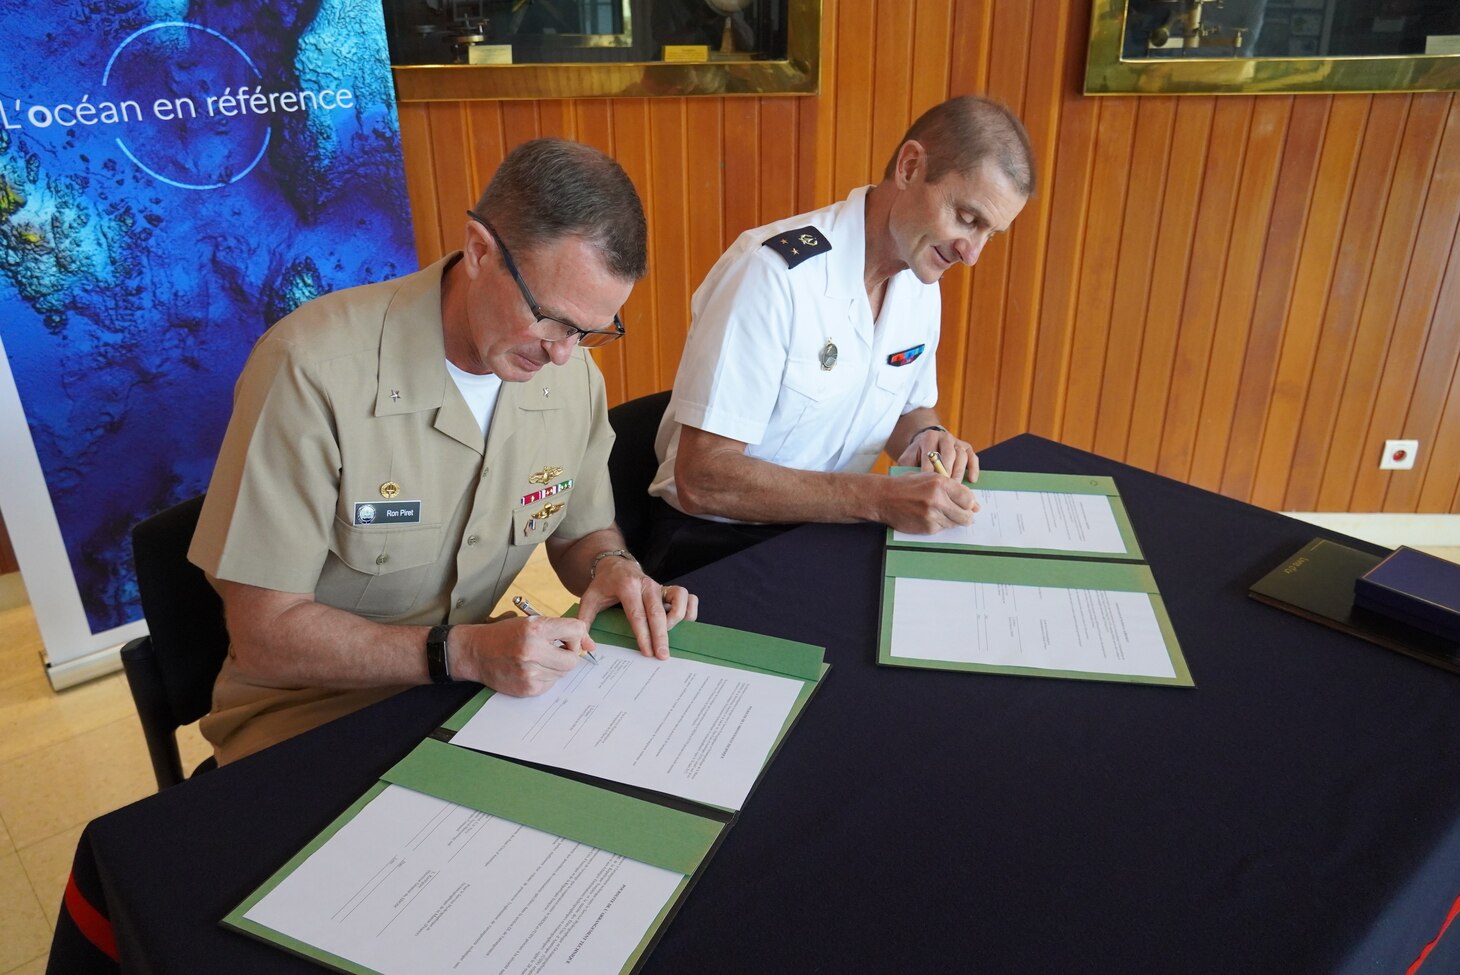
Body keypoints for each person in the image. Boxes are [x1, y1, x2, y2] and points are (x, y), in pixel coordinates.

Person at [189, 138, 697, 765]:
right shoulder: (310, 370)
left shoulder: (569, 378)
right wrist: (461, 652)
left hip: (472, 696)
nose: (563, 353)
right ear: (480, 250)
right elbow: (265, 634)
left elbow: (580, 535)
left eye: (590, 332)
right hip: (310, 716)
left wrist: (612, 569)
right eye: (552, 319)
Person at [644, 95, 1034, 579]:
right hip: (714, 545)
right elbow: (704, 477)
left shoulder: (920, 276)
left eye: (990, 235)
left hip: (825, 529)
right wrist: (879, 498)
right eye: (968, 219)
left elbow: (908, 407)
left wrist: (928, 437)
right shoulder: (771, 275)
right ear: (910, 167)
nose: (971, 254)